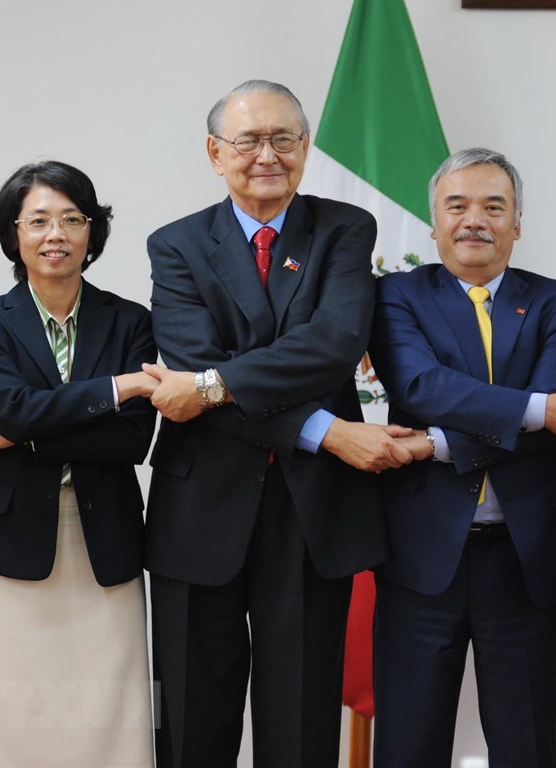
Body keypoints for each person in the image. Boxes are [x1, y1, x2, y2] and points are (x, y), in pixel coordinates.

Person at [142, 79, 411, 768]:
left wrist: (214, 384)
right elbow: (191, 356)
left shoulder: (345, 228)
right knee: (191, 726)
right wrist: (326, 429)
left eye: (283, 139)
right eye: (249, 140)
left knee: (301, 727)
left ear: (305, 146)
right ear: (215, 152)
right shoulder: (176, 244)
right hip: (201, 508)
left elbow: (334, 343)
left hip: (312, 508)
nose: (268, 155)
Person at [367, 148, 556, 767]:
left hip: (524, 557)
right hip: (421, 557)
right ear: (434, 222)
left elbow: (552, 415)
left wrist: (434, 443)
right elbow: (421, 388)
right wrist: (533, 409)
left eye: (493, 207)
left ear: (518, 223)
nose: (474, 219)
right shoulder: (395, 296)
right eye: (457, 205)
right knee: (407, 745)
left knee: (524, 747)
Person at [0, 160, 158, 767]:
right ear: (13, 233)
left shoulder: (131, 321)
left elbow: (132, 441)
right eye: (38, 220)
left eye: (72, 219)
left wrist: (26, 435)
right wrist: (118, 387)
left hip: (106, 538)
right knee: (4, 709)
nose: (56, 235)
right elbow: (11, 409)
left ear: (92, 231)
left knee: (108, 711)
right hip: (9, 540)